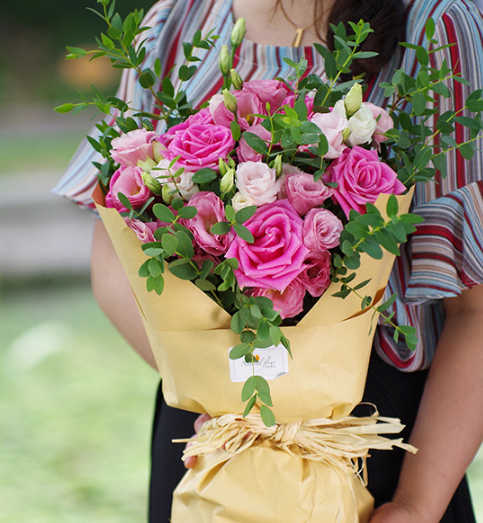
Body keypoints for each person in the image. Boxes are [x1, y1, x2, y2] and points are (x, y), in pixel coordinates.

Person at [53, 0, 483, 521]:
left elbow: (475, 311)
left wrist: (415, 506)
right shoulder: (178, 20)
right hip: (208, 435)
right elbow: (112, 248)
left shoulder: (440, 23)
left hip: (379, 442)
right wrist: (222, 393)